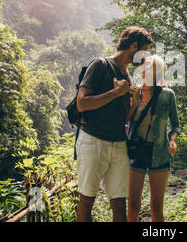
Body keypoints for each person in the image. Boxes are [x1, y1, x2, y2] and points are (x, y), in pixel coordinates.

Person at [75, 26, 153, 222]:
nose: (145, 57)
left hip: (118, 143)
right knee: (86, 201)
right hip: (92, 140)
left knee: (119, 204)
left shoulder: (127, 75)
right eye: (144, 50)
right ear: (133, 46)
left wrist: (134, 104)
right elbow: (82, 103)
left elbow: (123, 119)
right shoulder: (100, 65)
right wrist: (116, 93)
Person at [127, 55, 181, 222]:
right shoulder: (135, 91)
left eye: (150, 69)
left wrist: (172, 140)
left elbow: (175, 125)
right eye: (144, 69)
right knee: (133, 205)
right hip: (136, 153)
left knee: (156, 206)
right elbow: (126, 121)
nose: (145, 72)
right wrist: (134, 102)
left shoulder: (167, 95)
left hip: (159, 154)